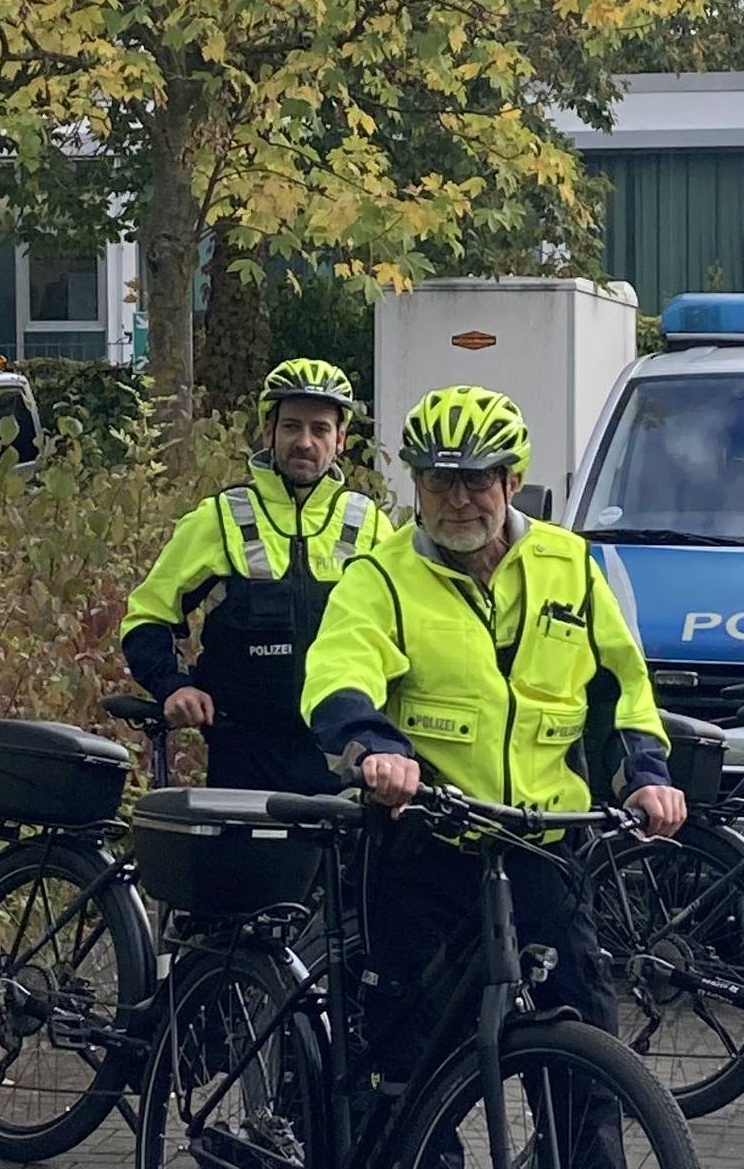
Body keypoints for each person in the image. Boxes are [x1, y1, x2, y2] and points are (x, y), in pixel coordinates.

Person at [302, 384, 689, 1156]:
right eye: (439, 480)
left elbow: (620, 688)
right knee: (410, 1071)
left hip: (545, 846)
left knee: (587, 1067)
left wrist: (644, 773)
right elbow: (337, 674)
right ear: (415, 484)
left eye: (477, 477)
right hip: (427, 850)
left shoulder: (570, 565)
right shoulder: (381, 578)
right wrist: (377, 747)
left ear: (512, 480)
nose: (457, 498)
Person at [121, 358, 390, 792]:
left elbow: (404, 635)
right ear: (269, 432)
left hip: (341, 754)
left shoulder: (371, 525)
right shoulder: (221, 517)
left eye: (320, 429)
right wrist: (173, 686)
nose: (304, 442)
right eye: (291, 427)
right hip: (242, 750)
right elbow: (146, 615)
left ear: (340, 439)